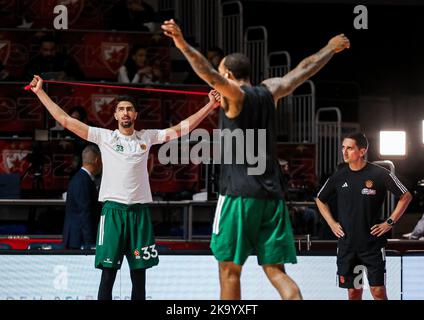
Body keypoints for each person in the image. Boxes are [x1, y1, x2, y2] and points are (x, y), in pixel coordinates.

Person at [162, 19, 350, 300]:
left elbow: (207, 73)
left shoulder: (234, 96)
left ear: (228, 73)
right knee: (276, 271)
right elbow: (303, 70)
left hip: (239, 195)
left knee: (229, 270)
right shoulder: (271, 91)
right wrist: (330, 48)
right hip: (272, 196)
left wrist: (181, 43)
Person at [28, 75, 221, 300]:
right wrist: (40, 92)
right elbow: (66, 121)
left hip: (139, 214)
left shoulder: (147, 137)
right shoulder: (105, 137)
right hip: (112, 213)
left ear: (135, 114)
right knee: (108, 275)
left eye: (129, 109)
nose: (126, 112)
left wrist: (210, 105)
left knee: (139, 276)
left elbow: (181, 128)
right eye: (121, 109)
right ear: (116, 115)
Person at [315, 133, 412, 300]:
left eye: (349, 148)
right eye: (343, 148)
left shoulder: (380, 173)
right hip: (347, 245)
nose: (344, 152)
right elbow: (319, 199)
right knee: (353, 292)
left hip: (372, 245)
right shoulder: (339, 175)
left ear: (362, 151)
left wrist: (389, 222)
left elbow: (406, 196)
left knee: (378, 292)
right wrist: (331, 223)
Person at [63, 144, 102, 249]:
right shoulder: (83, 181)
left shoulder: (81, 178)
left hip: (77, 237)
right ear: (97, 160)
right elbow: (85, 212)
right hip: (78, 239)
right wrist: (89, 243)